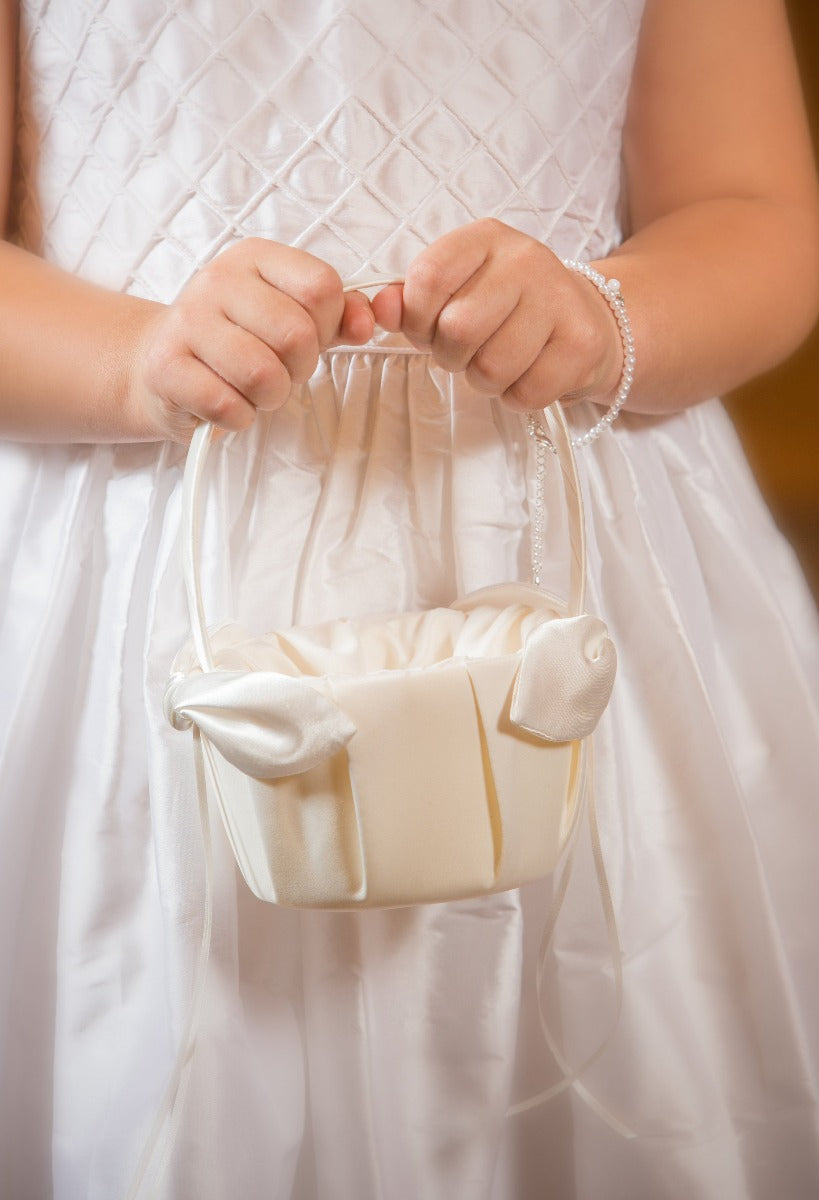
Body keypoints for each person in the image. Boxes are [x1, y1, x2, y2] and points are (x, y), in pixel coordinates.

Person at [1, 0, 818, 1196]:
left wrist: (605, 317)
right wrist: (132, 358)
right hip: (144, 558)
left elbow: (754, 208)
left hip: (561, 552)